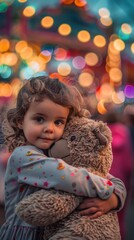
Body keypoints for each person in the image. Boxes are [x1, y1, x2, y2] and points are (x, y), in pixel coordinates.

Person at [0, 74, 126, 239]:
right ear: (19, 121)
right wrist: (106, 189)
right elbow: (66, 177)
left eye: (58, 122)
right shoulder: (22, 157)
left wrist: (114, 200)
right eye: (39, 119)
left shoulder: (58, 153)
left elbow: (112, 180)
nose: (49, 128)